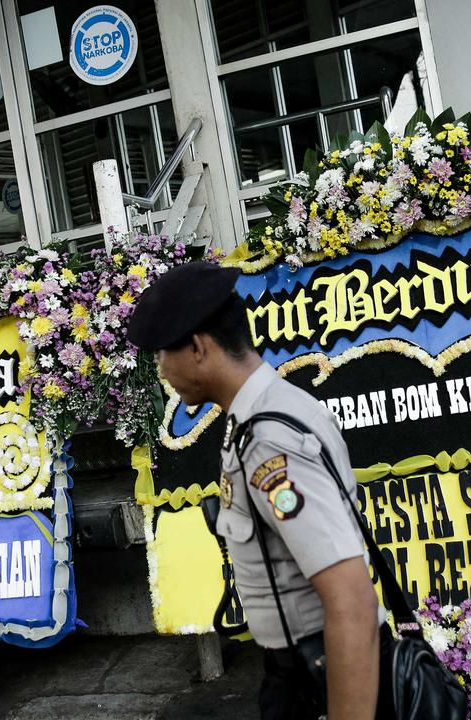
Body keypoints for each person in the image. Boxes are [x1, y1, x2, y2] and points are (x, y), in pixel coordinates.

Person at [128, 261, 392, 720]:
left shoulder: (271, 439)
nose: (161, 370)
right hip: (299, 670)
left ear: (197, 348)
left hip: (323, 675)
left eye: (161, 355)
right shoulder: (254, 418)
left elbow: (351, 599)